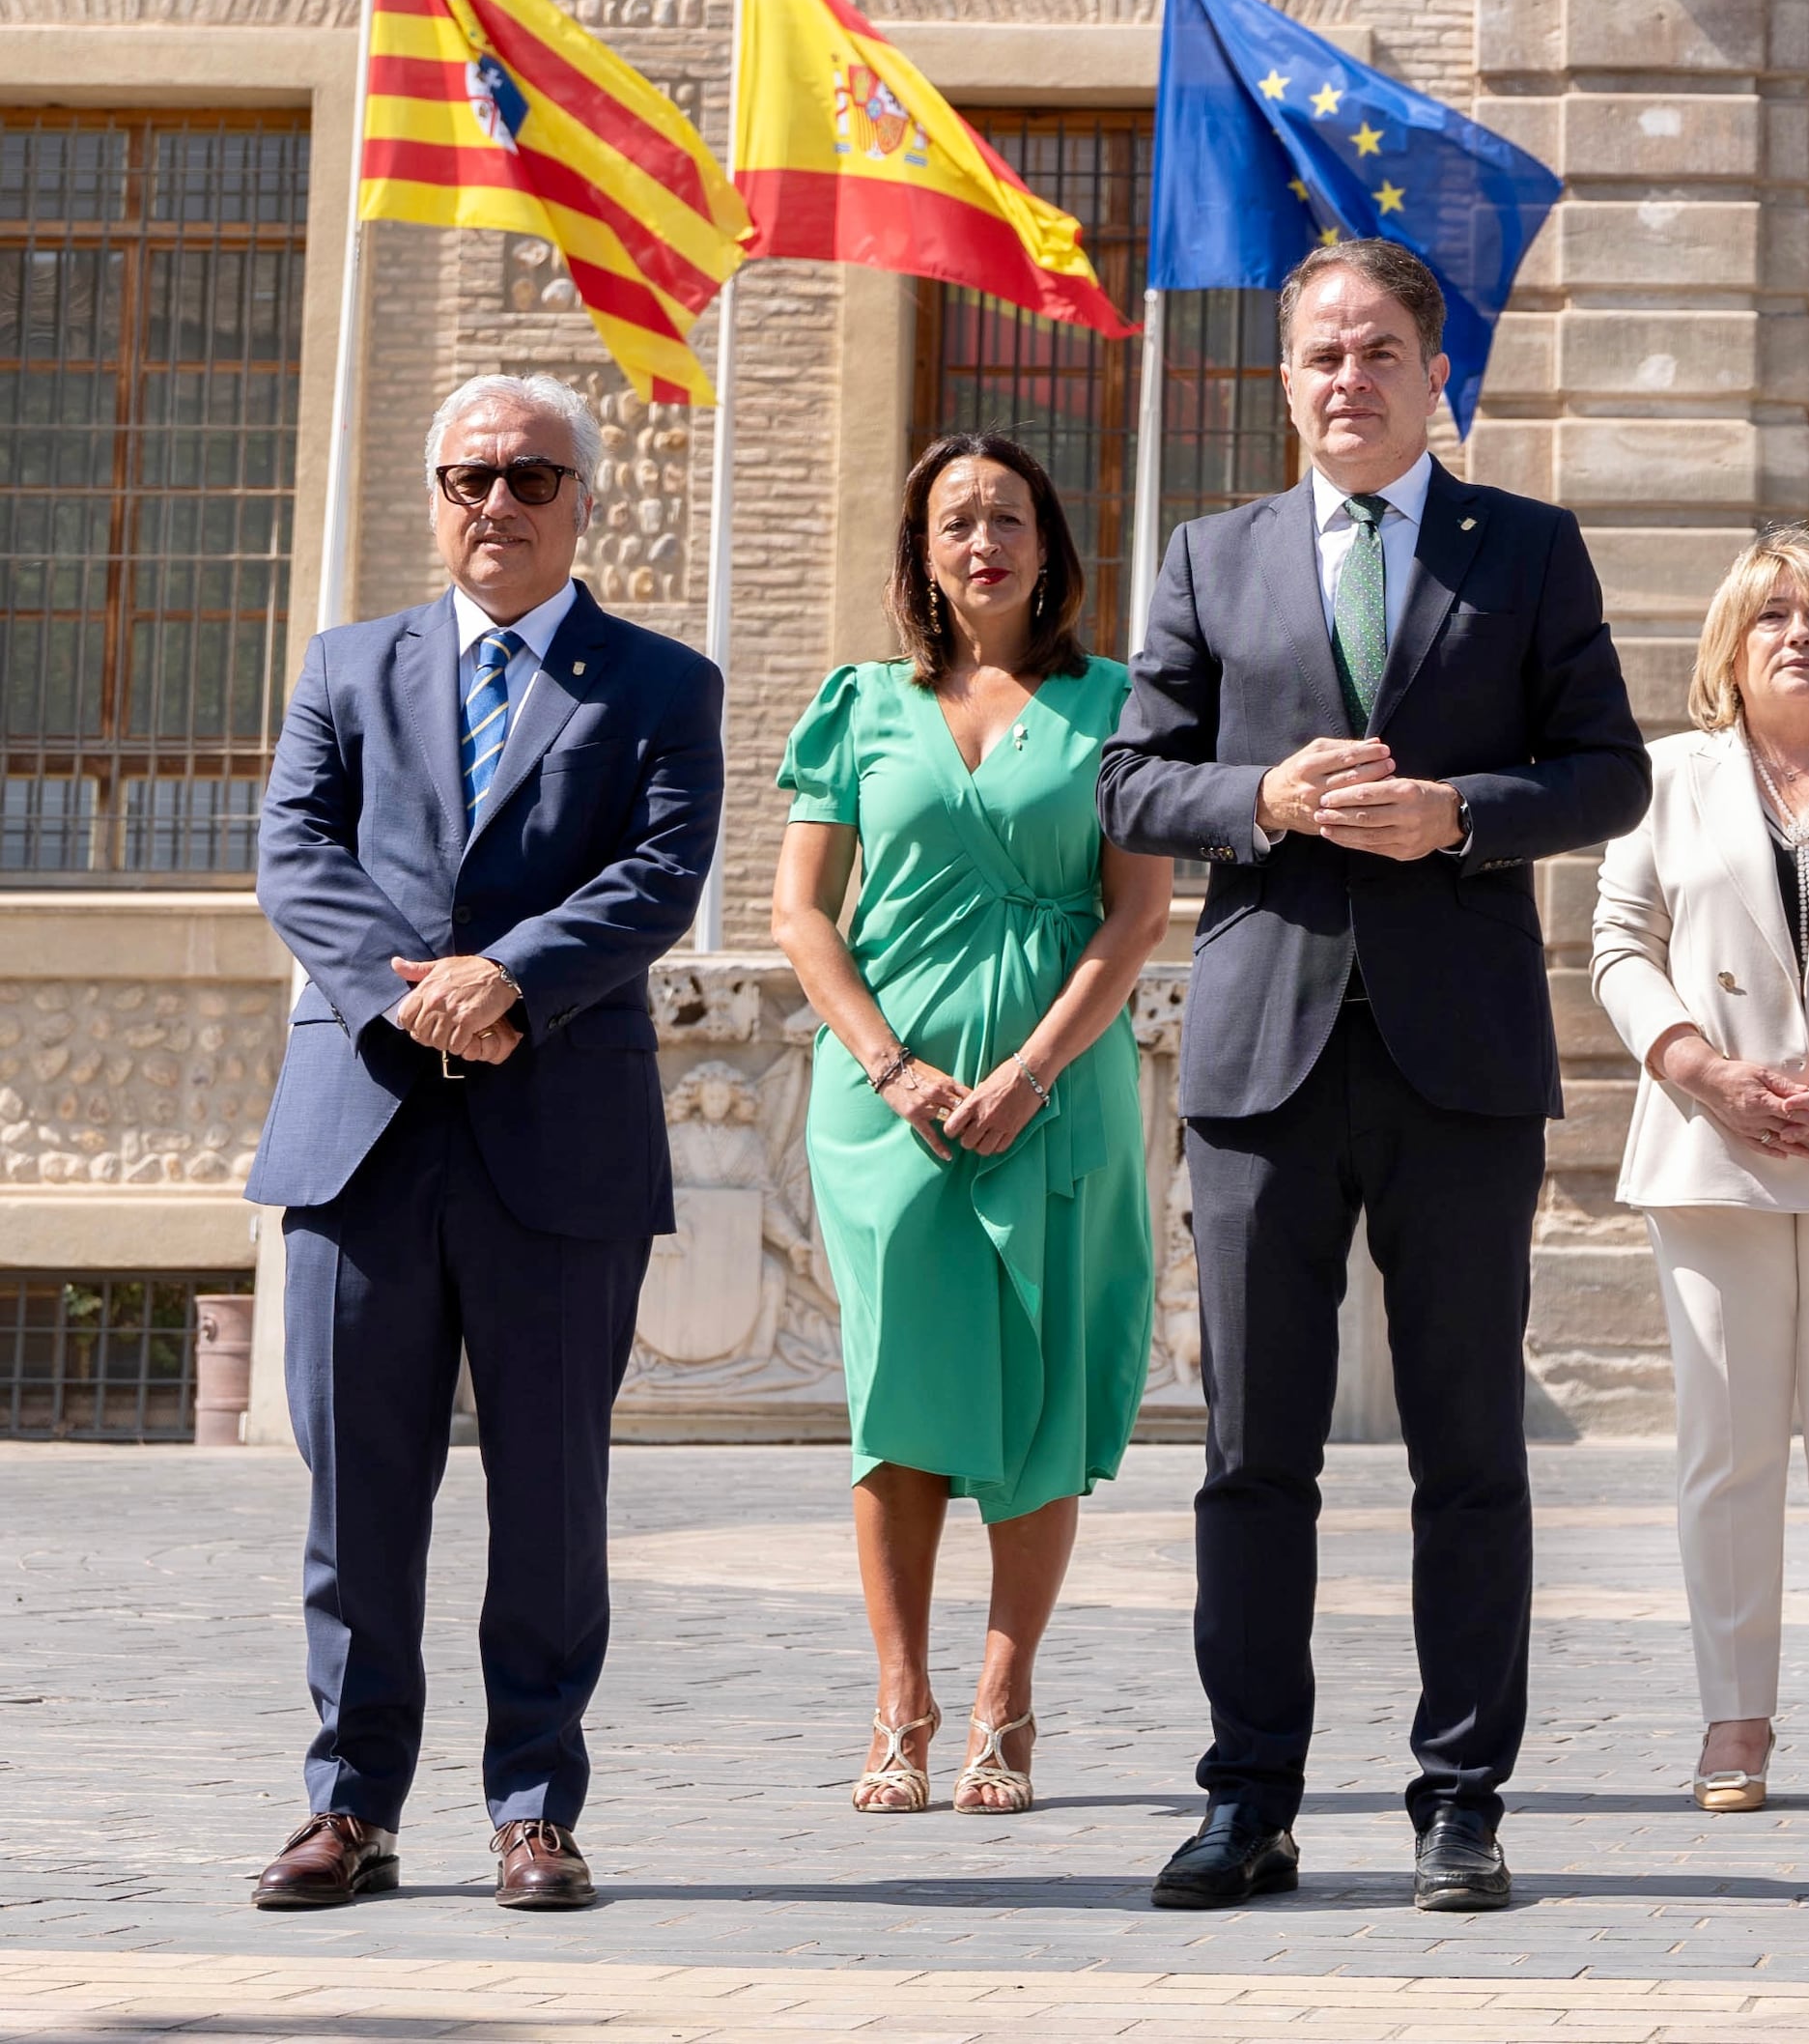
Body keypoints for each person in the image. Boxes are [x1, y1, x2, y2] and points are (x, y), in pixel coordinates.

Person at [1101, 238, 1651, 1916]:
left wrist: (1460, 814)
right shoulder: (1215, 553)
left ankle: (1461, 1799)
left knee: (1469, 1447)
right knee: (1253, 1450)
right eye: (1321, 354)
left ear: (1436, 377)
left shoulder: (1528, 552)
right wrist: (1262, 799)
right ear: (1288, 381)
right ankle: (1247, 1795)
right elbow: (1131, 783)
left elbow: (1609, 772)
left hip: (1461, 1060)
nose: (1349, 378)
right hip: (1264, 1062)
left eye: (1380, 352)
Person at [244, 373, 725, 1913]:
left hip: (556, 1134)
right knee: (357, 1497)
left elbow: (663, 870)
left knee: (551, 1494)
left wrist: (509, 974)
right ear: (434, 497)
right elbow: (295, 854)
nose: (498, 506)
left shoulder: (658, 682)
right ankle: (351, 1804)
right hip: (363, 1137)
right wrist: (425, 994)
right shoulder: (343, 665)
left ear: (580, 498)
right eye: (470, 478)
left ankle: (535, 1806)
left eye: (530, 478)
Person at [772, 434, 1171, 1818]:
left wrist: (1035, 1070)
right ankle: (901, 1698)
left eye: (1009, 515)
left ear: (1050, 547)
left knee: (1042, 1390)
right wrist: (890, 1067)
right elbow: (801, 910)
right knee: (901, 1398)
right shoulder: (860, 703)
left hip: (1057, 1092)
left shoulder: (1116, 701)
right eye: (957, 519)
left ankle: (1004, 1696)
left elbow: (1137, 911)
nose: (984, 538)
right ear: (923, 552)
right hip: (889, 1102)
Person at [1591, 526, 1809, 1821]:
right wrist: (1697, 1065)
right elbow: (1620, 942)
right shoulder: (1666, 777)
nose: (1797, 634)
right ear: (1729, 648)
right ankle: (1734, 1714)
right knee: (1724, 1449)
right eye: (1770, 616)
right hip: (1708, 1147)